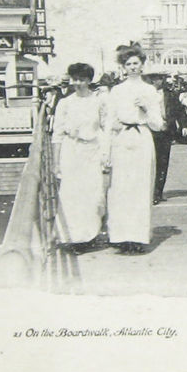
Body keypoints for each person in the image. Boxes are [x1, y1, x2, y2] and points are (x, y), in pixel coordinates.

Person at [105, 43, 164, 254]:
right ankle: (121, 237)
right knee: (121, 188)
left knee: (140, 187)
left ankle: (138, 237)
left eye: (135, 63)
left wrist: (147, 108)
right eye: (128, 64)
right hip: (122, 139)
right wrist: (107, 150)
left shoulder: (149, 90)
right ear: (123, 66)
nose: (132, 67)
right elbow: (109, 121)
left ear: (142, 65)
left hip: (142, 139)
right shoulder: (117, 91)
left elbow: (158, 124)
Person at [51, 62, 108, 252]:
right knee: (72, 195)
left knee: (92, 195)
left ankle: (89, 235)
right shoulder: (65, 103)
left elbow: (106, 128)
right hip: (71, 151)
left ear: (89, 80)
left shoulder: (98, 101)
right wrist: (56, 162)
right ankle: (73, 238)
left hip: (92, 150)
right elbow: (57, 134)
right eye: (75, 79)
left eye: (82, 80)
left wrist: (105, 154)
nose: (77, 83)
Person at [144, 67, 181, 205]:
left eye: (160, 78)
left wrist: (181, 125)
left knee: (163, 162)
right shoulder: (145, 95)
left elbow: (177, 110)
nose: (158, 81)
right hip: (149, 130)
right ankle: (148, 192)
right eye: (155, 78)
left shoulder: (170, 94)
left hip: (166, 131)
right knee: (149, 162)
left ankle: (157, 193)